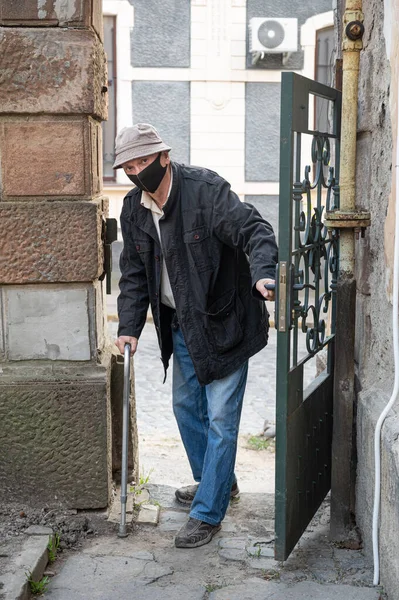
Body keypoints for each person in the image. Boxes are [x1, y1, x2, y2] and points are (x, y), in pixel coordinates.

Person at [114, 123, 278, 549]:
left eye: (143, 163)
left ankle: (208, 512)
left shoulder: (206, 192)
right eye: (128, 167)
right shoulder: (133, 210)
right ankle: (217, 483)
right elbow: (133, 274)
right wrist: (129, 326)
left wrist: (263, 274)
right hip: (179, 325)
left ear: (164, 157)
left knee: (221, 419)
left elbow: (254, 230)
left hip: (225, 322)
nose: (136, 172)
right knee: (187, 408)